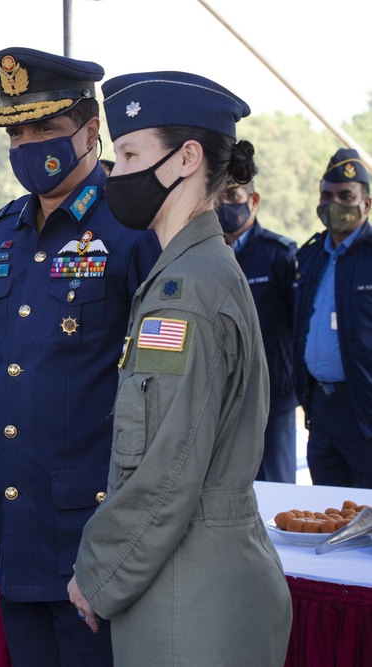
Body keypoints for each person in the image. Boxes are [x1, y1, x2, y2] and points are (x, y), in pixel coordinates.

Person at [68, 71, 292, 666]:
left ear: (187, 158)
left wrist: (97, 573)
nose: (114, 174)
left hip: (185, 600)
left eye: (129, 153)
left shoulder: (184, 291)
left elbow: (167, 472)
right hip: (208, 582)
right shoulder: (203, 270)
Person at [0, 48, 160, 666]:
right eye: (16, 131)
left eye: (46, 128)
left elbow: (162, 389)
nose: (28, 145)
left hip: (99, 536)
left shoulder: (136, 230)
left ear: (91, 129)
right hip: (15, 529)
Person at [293, 148, 372, 488]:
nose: (333, 203)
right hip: (320, 411)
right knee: (326, 513)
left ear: (366, 204)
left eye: (345, 196)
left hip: (364, 414)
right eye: (327, 195)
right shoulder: (309, 256)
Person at [219, 178, 298, 483]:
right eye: (218, 196)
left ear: (253, 200)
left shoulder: (279, 254)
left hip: (274, 396)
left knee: (277, 489)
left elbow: (298, 323)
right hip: (224, 398)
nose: (224, 204)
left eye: (233, 195)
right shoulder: (209, 255)